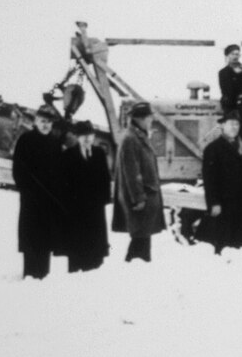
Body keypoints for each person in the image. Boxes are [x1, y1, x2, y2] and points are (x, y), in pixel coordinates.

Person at [13, 105, 66, 278]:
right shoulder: (25, 140)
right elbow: (18, 171)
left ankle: (42, 276)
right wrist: (28, 191)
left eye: (49, 122)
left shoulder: (55, 143)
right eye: (43, 121)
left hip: (49, 204)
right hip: (31, 202)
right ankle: (29, 276)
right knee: (31, 242)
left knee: (46, 243)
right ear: (36, 121)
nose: (46, 125)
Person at [111, 102, 166, 262]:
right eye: (149, 118)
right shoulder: (131, 138)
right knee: (140, 239)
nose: (151, 121)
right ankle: (134, 271)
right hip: (142, 200)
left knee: (142, 238)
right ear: (140, 119)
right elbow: (131, 171)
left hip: (146, 197)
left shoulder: (138, 136)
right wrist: (138, 198)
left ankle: (138, 270)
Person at [199, 111, 242, 255]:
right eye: (231, 124)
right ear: (222, 126)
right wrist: (213, 203)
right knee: (224, 242)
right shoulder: (213, 149)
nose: (234, 127)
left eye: (237, 124)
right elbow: (209, 179)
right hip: (225, 205)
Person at [62, 121, 111, 272]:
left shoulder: (99, 153)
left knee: (95, 253)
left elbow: (105, 179)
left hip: (95, 211)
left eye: (90, 135)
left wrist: (102, 200)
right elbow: (64, 183)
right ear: (77, 137)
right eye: (83, 136)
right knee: (77, 252)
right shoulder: (69, 155)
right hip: (76, 211)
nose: (87, 138)